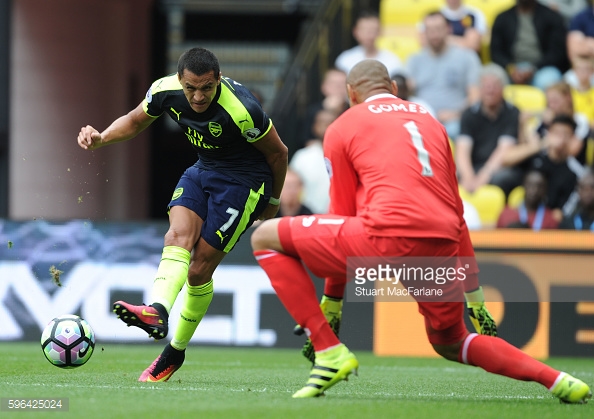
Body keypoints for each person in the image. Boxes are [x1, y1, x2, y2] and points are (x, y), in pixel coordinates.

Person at [251, 60, 591, 402]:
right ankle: (558, 380)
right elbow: (457, 214)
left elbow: (342, 216)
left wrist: (334, 303)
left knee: (264, 237)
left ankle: (329, 352)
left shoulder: (342, 126)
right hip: (439, 240)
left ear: (351, 94)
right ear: (394, 89)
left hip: (385, 233)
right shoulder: (433, 124)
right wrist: (474, 297)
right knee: (451, 341)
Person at [77, 47, 288, 382]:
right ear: (180, 80)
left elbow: (278, 153)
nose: (198, 96)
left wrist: (273, 200)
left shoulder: (242, 111)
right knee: (176, 237)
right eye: (191, 88)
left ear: (218, 79)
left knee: (198, 268)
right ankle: (156, 311)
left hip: (244, 182)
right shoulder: (165, 91)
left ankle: (174, 351)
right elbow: (134, 121)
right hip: (203, 169)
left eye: (206, 87)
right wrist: (101, 138)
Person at [407, 11, 482, 139]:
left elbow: (475, 98)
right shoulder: (414, 60)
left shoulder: (467, 57)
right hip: (421, 120)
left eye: (438, 29)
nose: (434, 34)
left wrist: (456, 114)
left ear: (449, 29)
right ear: (424, 33)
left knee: (457, 130)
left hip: (455, 121)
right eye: (429, 30)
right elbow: (406, 95)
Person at [456, 63, 523, 196]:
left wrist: (482, 178)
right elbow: (462, 149)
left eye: (495, 86)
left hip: (499, 168)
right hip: (474, 165)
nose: (490, 90)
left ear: (503, 88)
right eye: (486, 86)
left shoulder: (512, 112)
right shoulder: (469, 113)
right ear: (479, 89)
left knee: (504, 178)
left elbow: (504, 150)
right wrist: (468, 177)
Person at [503, 114, 587, 217]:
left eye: (565, 134)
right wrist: (540, 145)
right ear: (549, 134)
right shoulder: (536, 156)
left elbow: (563, 212)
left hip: (550, 223)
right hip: (524, 214)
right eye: (556, 133)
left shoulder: (576, 172)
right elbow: (506, 160)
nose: (559, 138)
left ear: (572, 139)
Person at [490, 0, 568, 90]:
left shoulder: (552, 17)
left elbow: (557, 53)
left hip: (542, 68)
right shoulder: (502, 18)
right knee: (491, 79)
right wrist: (510, 68)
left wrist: (534, 68)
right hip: (510, 68)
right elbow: (496, 52)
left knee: (549, 81)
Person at [290, 108, 337, 214]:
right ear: (314, 127)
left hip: (335, 218)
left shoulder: (346, 156)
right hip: (306, 219)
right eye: (322, 123)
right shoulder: (302, 156)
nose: (327, 126)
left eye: (331, 122)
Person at [335, 10, 404, 77]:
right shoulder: (345, 59)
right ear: (355, 31)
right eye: (364, 30)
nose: (369, 35)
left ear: (380, 32)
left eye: (373, 30)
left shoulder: (392, 60)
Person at [419, 0, 488, 55]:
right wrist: (463, 41)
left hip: (467, 62)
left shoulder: (474, 15)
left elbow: (473, 46)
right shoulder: (433, 16)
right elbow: (425, 44)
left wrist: (443, 40)